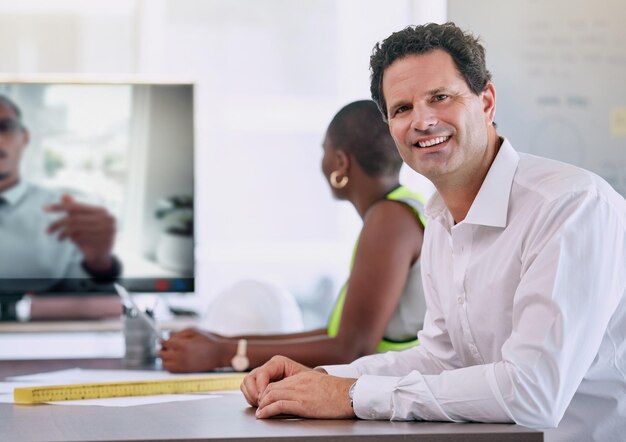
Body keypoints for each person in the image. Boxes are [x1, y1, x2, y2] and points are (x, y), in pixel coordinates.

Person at [240, 23, 626, 442]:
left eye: (440, 98)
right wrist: (318, 378)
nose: (422, 121)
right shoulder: (440, 221)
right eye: (402, 109)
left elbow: (532, 392)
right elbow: (443, 360)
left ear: (487, 102)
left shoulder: (571, 207)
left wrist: (352, 394)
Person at [159, 100, 427, 373]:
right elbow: (336, 335)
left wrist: (225, 353)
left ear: (340, 162)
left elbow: (351, 349)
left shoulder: (389, 219)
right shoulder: (401, 208)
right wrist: (222, 343)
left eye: (324, 150)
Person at [0, 94, 120, 296]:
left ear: (25, 137)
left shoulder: (68, 215)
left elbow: (89, 302)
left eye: (6, 127)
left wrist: (100, 264)